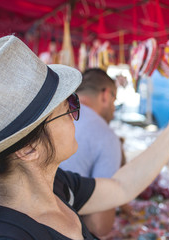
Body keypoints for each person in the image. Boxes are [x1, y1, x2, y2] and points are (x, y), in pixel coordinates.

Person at [0, 35, 169, 240]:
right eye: (67, 108)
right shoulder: (6, 235)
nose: (75, 116)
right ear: (28, 149)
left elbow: (121, 187)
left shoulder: (56, 186)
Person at [59, 68, 122, 237]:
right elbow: (99, 225)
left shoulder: (54, 115)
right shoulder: (105, 135)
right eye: (114, 100)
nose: (114, 108)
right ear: (105, 95)